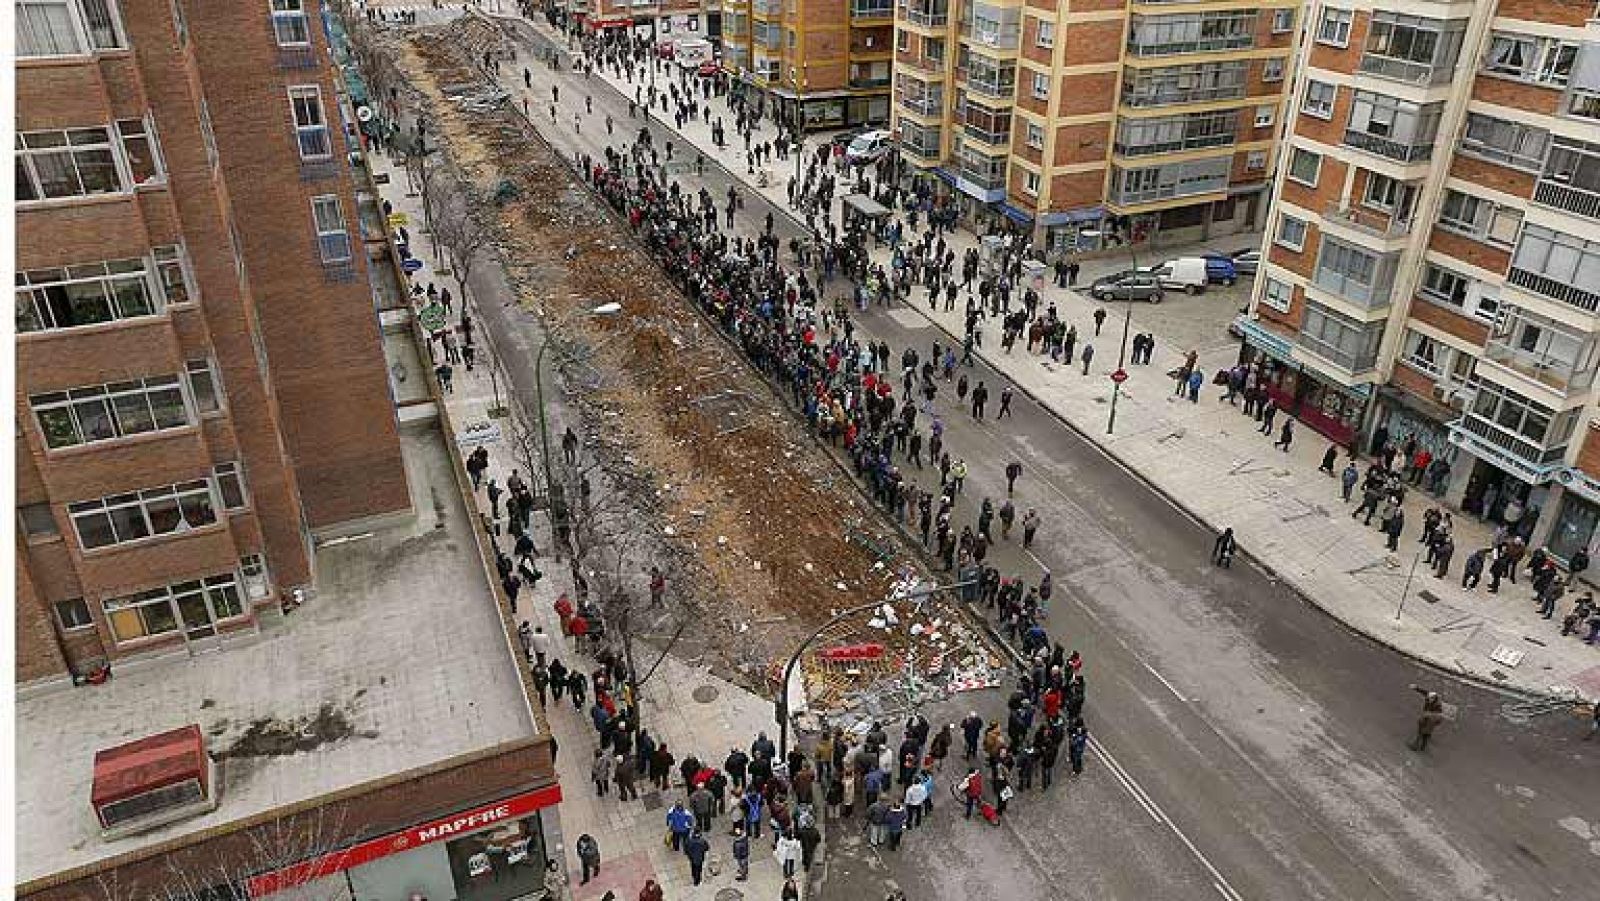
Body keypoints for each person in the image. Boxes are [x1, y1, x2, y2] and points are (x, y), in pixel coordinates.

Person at [1409, 684, 1446, 752]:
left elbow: (1437, 717)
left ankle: (1415, 746)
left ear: (1434, 699)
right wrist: (1416, 688)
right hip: (1427, 717)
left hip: (1431, 720)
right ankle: (1422, 746)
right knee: (1425, 732)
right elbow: (1424, 692)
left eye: (1430, 699)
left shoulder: (1437, 706)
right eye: (1428, 698)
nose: (1429, 700)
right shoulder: (1429, 695)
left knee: (1423, 732)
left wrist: (1426, 718)